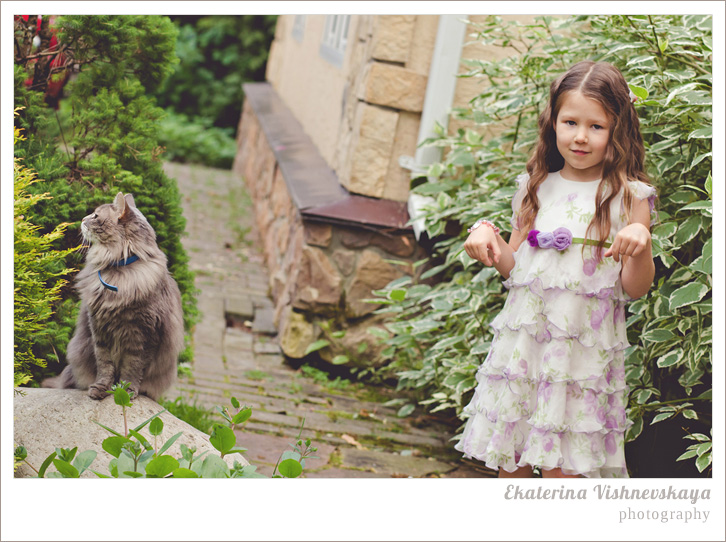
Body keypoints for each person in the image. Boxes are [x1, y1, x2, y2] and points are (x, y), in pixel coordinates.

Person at [455, 60, 657, 478]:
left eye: (596, 127)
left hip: (580, 361)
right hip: (525, 352)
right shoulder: (536, 185)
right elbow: (514, 269)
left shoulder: (628, 197)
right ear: (553, 123)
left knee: (562, 472)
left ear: (617, 130)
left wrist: (641, 242)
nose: (580, 137)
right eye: (570, 122)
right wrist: (487, 236)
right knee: (511, 464)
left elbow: (634, 289)